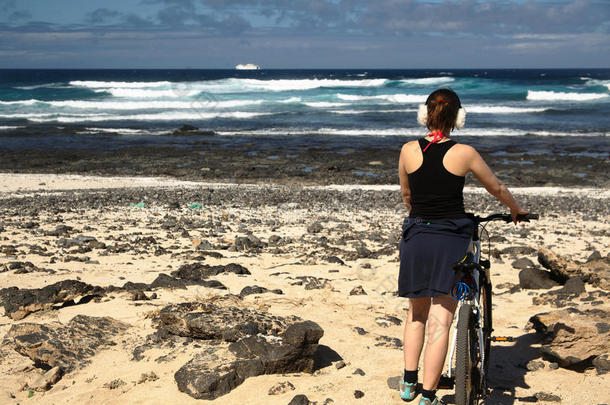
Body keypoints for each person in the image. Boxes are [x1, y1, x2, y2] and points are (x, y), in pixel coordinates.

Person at [396, 88, 527, 405]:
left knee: (416, 315)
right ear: (458, 118)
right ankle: (428, 394)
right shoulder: (465, 153)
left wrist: (420, 217)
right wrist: (515, 209)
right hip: (452, 238)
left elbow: (407, 196)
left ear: (424, 114)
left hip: (416, 236)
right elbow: (495, 187)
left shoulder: (407, 150)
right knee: (442, 320)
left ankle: (407, 384)